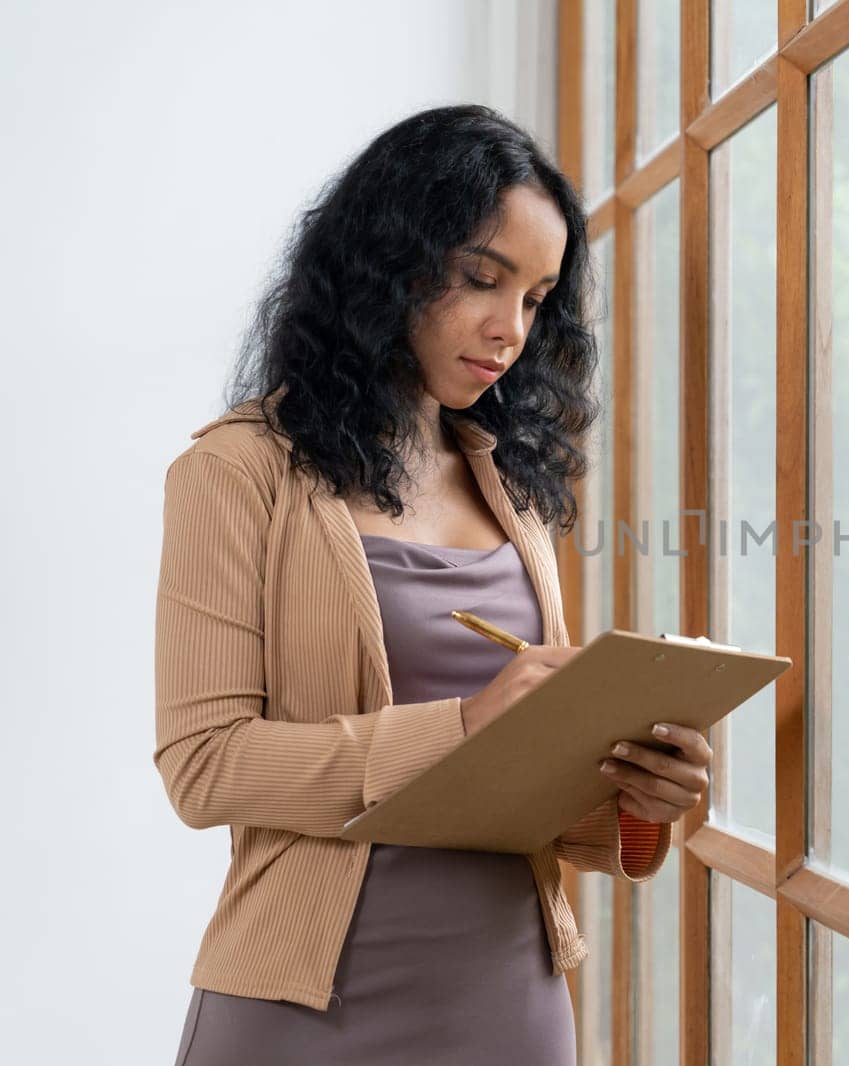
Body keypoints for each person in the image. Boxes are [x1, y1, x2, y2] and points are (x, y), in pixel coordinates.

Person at [155, 104, 710, 1065]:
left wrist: (637, 797)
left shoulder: (516, 491)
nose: (509, 330)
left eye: (537, 299)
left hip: (510, 1001)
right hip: (304, 1008)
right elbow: (204, 768)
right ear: (387, 263)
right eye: (481, 280)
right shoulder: (237, 473)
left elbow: (515, 797)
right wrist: (459, 727)